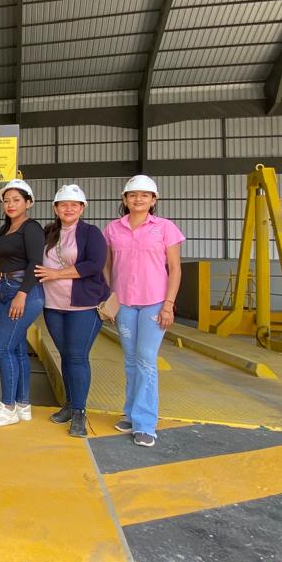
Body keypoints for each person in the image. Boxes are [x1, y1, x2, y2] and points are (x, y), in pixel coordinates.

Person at [104, 175, 184, 448]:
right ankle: (131, 414)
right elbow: (107, 266)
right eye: (133, 195)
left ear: (153, 200)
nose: (138, 199)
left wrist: (169, 304)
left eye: (144, 195)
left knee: (146, 361)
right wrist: (110, 298)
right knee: (130, 360)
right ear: (125, 199)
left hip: (154, 302)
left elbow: (175, 268)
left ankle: (145, 423)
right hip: (125, 303)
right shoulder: (113, 229)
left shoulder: (165, 228)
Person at [33, 184, 109, 438]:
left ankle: (79, 412)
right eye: (63, 204)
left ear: (82, 208)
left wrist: (57, 274)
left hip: (83, 306)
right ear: (55, 208)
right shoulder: (48, 233)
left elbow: (94, 264)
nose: (68, 208)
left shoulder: (91, 233)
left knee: (77, 356)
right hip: (53, 305)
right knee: (65, 355)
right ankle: (69, 404)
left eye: (74, 204)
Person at [0, 180, 47, 427]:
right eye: (6, 200)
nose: (10, 204)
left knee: (3, 347)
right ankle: (22, 404)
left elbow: (35, 263)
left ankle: (8, 407)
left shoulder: (31, 228)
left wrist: (22, 294)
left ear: (28, 203)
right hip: (6, 289)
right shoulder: (6, 228)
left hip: (24, 291)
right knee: (17, 348)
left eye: (16, 200)